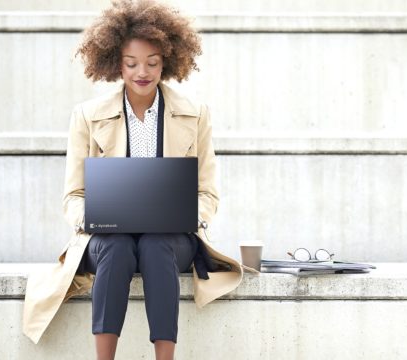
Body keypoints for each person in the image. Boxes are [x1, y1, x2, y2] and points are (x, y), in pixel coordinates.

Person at [21, 1, 254, 359]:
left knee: (155, 243)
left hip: (171, 237)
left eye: (152, 62)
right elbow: (73, 195)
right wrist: (92, 215)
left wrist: (194, 214)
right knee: (116, 246)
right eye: (131, 63)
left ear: (168, 61)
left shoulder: (196, 114)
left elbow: (207, 191)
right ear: (116, 63)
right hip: (107, 235)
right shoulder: (86, 115)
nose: (141, 72)